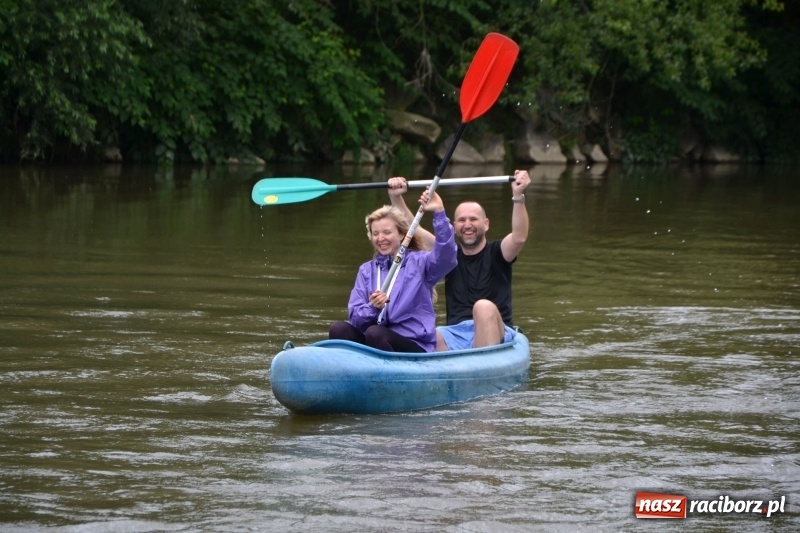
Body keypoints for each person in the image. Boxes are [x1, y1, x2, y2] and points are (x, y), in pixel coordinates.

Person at [387, 169, 531, 351]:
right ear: (454, 227)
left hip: (497, 330)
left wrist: (518, 195)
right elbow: (414, 230)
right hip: (455, 333)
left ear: (486, 224)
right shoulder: (449, 256)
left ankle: (482, 367)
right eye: (462, 220)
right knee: (428, 333)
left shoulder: (499, 252)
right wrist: (396, 198)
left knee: (483, 307)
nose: (467, 225)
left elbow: (519, 237)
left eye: (473, 219)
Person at [328, 187, 457, 352]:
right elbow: (355, 319)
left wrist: (439, 213)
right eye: (375, 233)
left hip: (413, 344)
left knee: (375, 333)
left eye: (387, 232)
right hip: (375, 338)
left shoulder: (420, 263)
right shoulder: (366, 271)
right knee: (338, 328)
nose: (380, 238)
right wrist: (372, 308)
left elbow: (447, 256)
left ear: (402, 235)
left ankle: (386, 375)